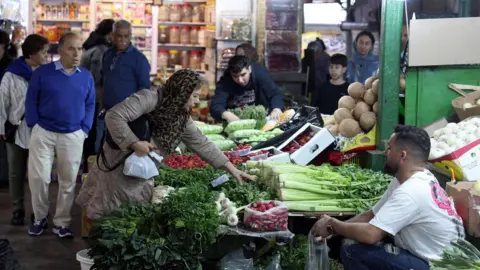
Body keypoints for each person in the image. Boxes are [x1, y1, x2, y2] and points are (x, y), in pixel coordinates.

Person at [76, 69, 255, 220]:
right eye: (193, 96)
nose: (195, 102)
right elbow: (114, 116)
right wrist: (134, 143)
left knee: (131, 216)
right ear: (181, 92)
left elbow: (202, 143)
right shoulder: (149, 99)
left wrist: (232, 169)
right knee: (110, 216)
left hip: (141, 173)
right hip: (118, 168)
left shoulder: (180, 117)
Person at [311, 125, 465, 270]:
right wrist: (333, 231)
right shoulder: (415, 178)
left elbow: (371, 234)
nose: (385, 152)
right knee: (355, 239)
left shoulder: (411, 191)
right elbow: (370, 215)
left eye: (389, 148)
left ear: (402, 155)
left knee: (352, 250)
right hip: (432, 254)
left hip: (437, 265)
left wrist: (333, 224)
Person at [25, 33, 95, 238]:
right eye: (72, 48)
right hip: (43, 132)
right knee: (39, 178)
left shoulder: (85, 76)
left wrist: (85, 129)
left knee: (68, 181)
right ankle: (39, 217)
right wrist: (33, 124)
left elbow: (90, 104)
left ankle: (61, 223)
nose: (77, 53)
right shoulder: (43, 73)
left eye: (80, 49)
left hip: (73, 134)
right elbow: (31, 100)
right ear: (61, 51)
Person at [0, 34, 49, 226]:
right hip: (16, 130)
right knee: (16, 173)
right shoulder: (11, 74)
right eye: (44, 52)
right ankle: (17, 209)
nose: (46, 56)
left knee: (39, 175)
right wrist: (2, 127)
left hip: (41, 130)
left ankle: (38, 211)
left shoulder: (46, 74)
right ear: (33, 53)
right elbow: (2, 102)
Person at [210, 55, 284, 123]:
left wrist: (276, 108)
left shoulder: (260, 74)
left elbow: (275, 94)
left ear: (249, 69)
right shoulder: (225, 81)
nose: (240, 80)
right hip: (235, 121)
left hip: (262, 119)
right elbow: (216, 105)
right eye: (235, 76)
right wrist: (225, 114)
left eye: (243, 75)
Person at [80, 19, 114, 162]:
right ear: (110, 33)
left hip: (86, 95)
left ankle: (87, 162)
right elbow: (97, 77)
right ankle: (91, 165)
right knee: (93, 132)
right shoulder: (100, 50)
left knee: (89, 130)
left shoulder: (91, 45)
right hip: (94, 98)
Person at [101, 19, 150, 111]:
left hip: (127, 114)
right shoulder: (107, 54)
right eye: (119, 36)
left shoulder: (139, 59)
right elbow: (103, 81)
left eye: (126, 36)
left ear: (130, 36)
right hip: (107, 111)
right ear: (113, 36)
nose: (123, 40)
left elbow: (144, 90)